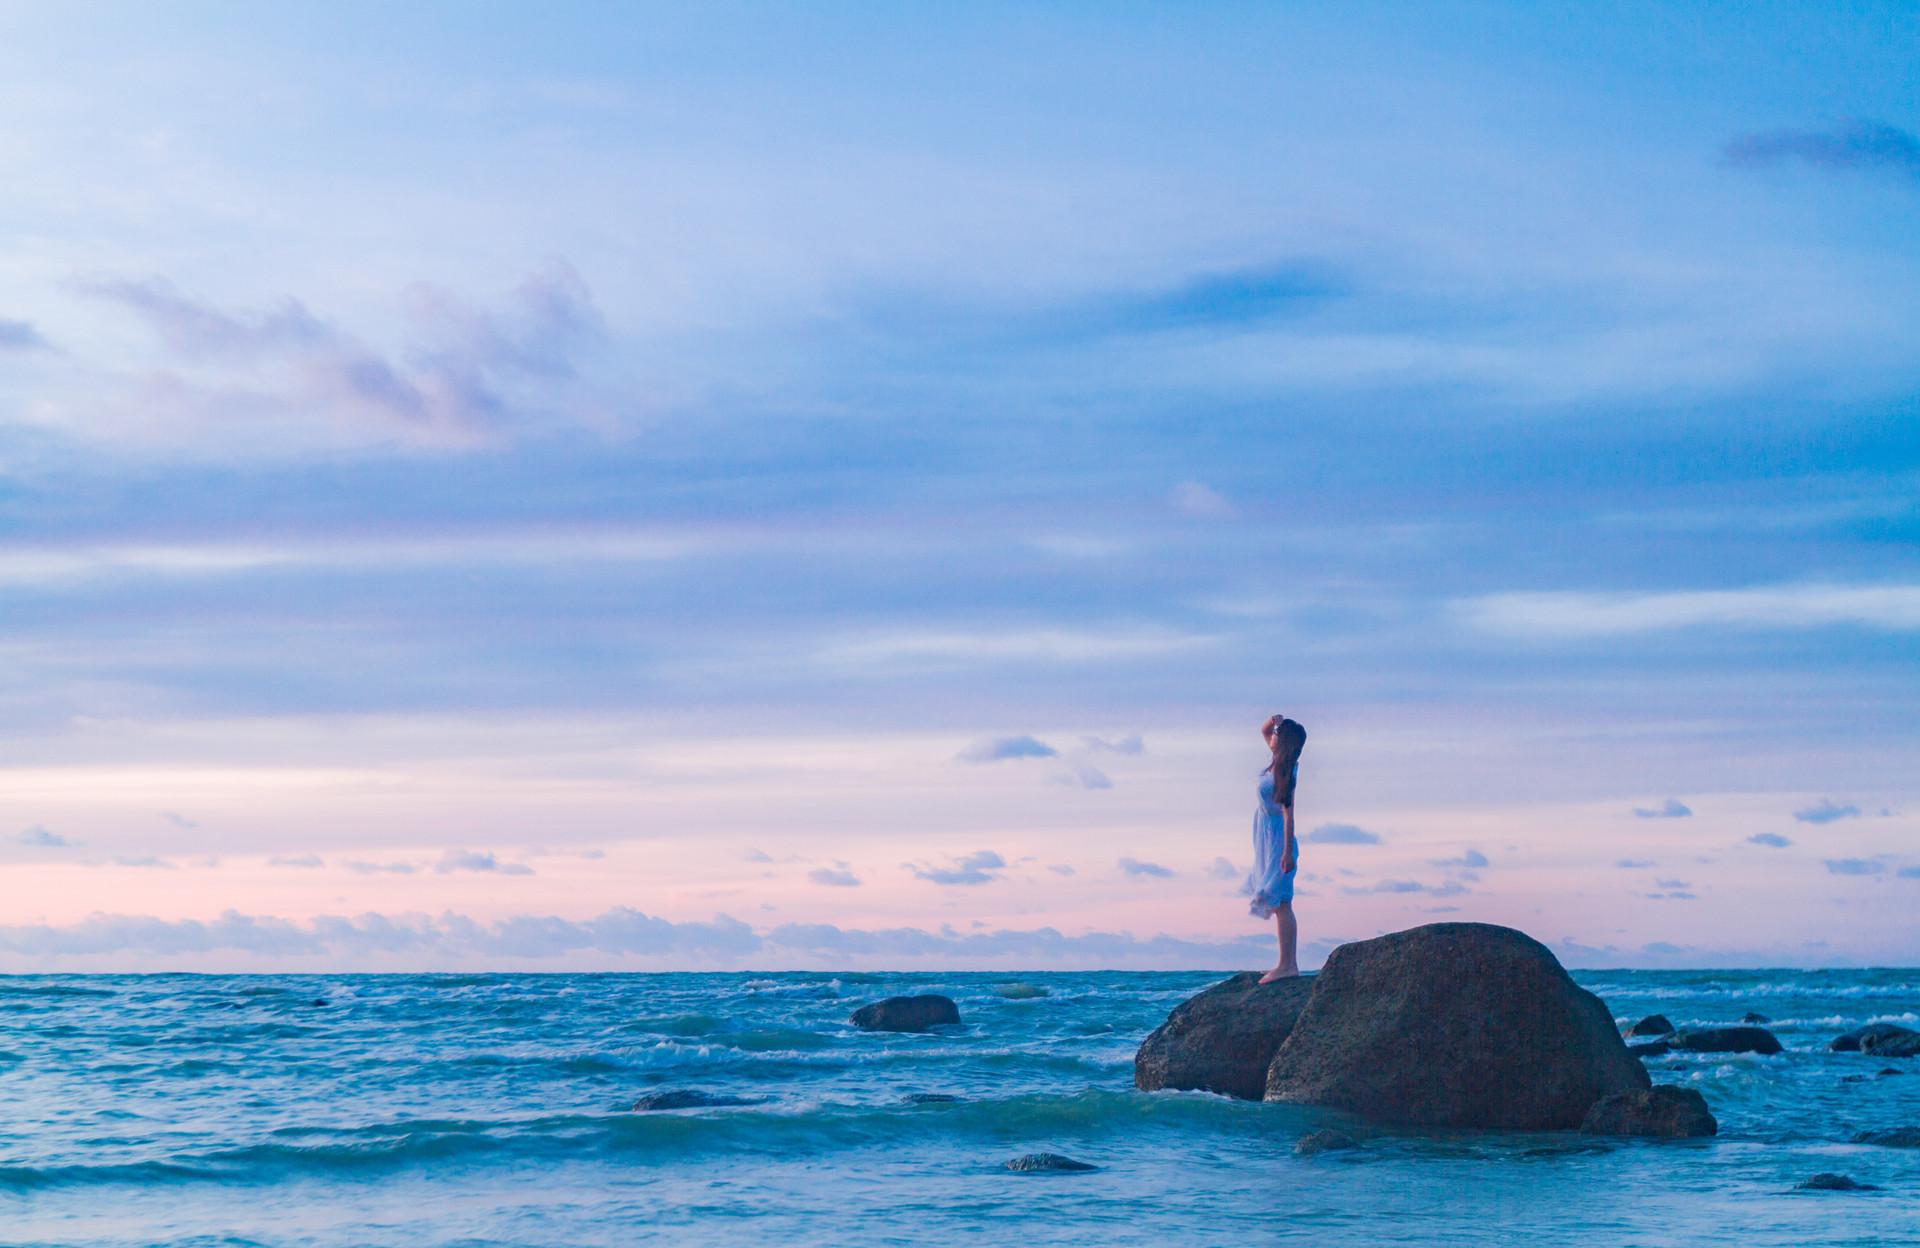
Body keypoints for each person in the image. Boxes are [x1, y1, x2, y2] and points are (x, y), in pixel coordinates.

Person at [1248, 713, 1306, 983]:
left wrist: (1285, 852)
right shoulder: (1276, 764)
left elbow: (1289, 815)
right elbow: (1263, 730)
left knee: (1282, 903)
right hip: (1266, 837)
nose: (1271, 737)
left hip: (1277, 840)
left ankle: (1287, 965)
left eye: (1276, 736)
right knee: (1278, 903)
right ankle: (1285, 962)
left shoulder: (1288, 771)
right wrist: (1275, 722)